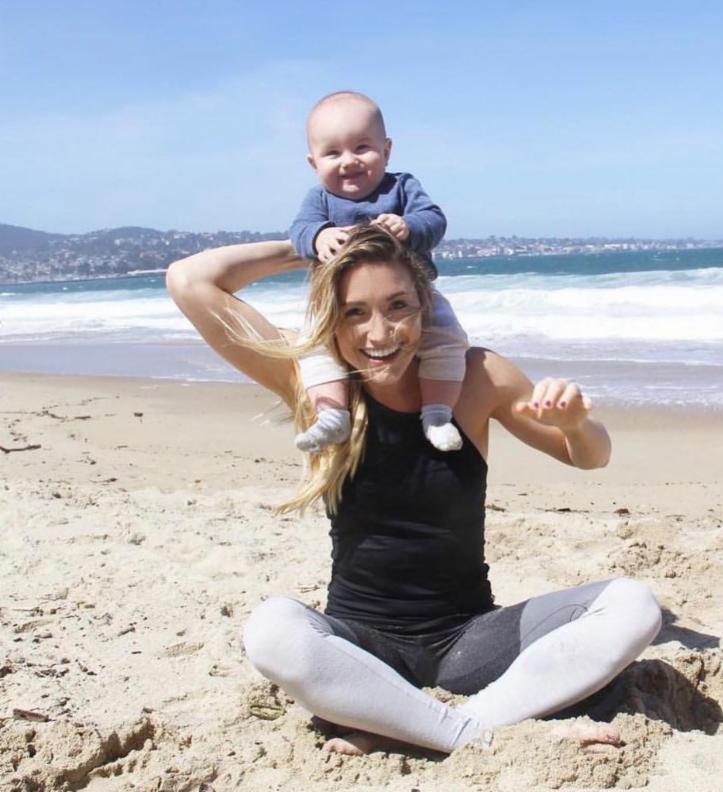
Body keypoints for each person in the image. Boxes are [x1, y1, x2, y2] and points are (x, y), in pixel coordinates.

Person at [166, 225, 662, 755]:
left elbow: (589, 456)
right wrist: (314, 243)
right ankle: (472, 730)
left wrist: (576, 424)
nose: (379, 333)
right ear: (332, 320)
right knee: (272, 629)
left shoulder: (476, 377)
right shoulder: (315, 386)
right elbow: (189, 279)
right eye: (354, 312)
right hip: (363, 653)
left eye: (397, 306)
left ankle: (430, 727)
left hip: (469, 643)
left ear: (426, 306)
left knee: (634, 605)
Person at [289, 91, 468, 454]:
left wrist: (408, 225)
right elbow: (299, 231)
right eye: (333, 153)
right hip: (338, 301)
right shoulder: (319, 200)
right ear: (313, 162)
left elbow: (434, 220)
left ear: (386, 150)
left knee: (448, 340)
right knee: (313, 348)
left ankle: (437, 414)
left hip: (414, 297)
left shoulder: (402, 186)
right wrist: (319, 236)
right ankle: (332, 414)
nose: (349, 161)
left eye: (362, 147)